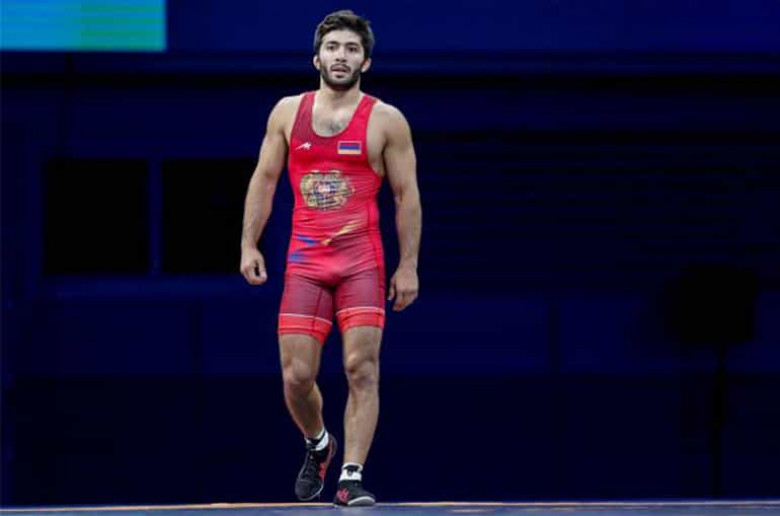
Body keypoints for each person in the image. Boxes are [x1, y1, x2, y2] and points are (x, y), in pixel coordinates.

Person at [239, 9, 422, 507]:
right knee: (296, 377)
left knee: (361, 367)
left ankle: (351, 477)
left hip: (362, 262)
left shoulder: (386, 120)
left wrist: (408, 265)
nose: (342, 56)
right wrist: (249, 243)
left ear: (366, 62)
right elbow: (265, 179)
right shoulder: (287, 113)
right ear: (316, 58)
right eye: (333, 48)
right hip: (305, 264)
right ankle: (319, 443)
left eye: (352, 49)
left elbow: (406, 196)